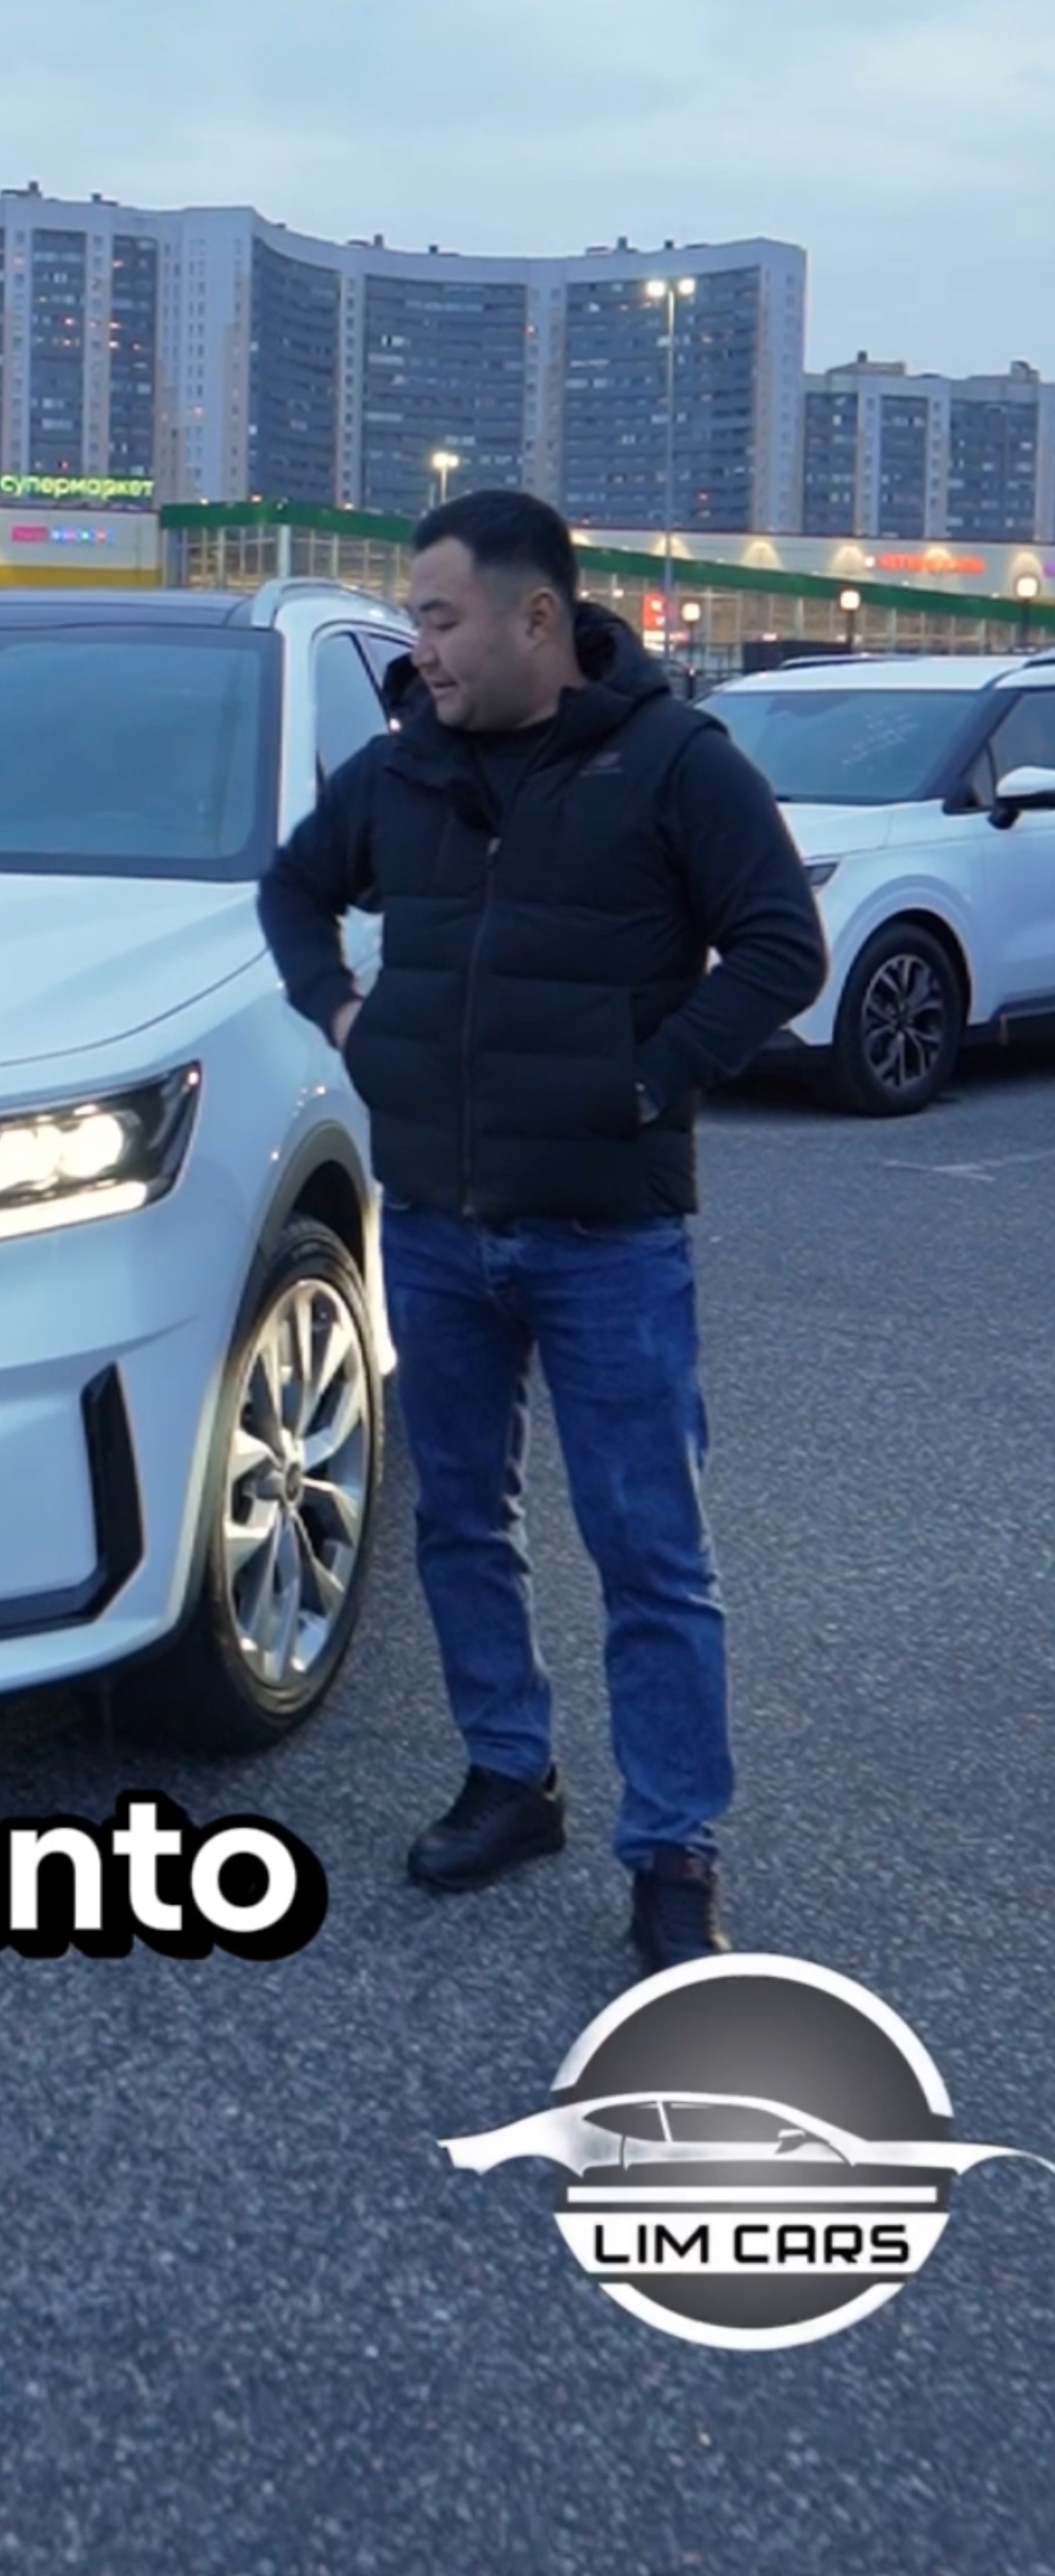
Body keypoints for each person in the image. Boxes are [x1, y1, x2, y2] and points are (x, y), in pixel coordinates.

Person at [258, 490, 826, 1972]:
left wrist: (648, 1077)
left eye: (442, 619)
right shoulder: (404, 769)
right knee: (461, 1520)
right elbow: (295, 889)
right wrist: (344, 1017)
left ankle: (675, 1850)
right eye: (415, 620)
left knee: (650, 1551)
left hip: (607, 1237)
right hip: (437, 1226)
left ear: (536, 618)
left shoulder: (675, 762)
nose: (421, 648)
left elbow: (783, 945)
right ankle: (512, 1778)